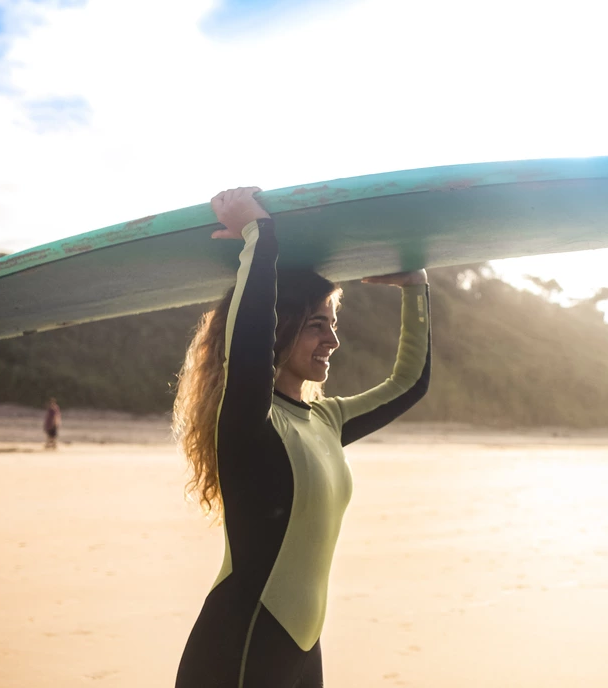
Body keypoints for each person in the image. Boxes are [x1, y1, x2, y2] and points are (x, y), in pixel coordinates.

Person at [172, 186, 431, 688]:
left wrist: (415, 289)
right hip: (238, 652)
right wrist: (258, 235)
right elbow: (247, 344)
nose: (332, 340)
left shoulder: (325, 421)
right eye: (317, 325)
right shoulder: (250, 421)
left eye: (333, 324)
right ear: (282, 326)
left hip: (300, 653)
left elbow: (411, 383)